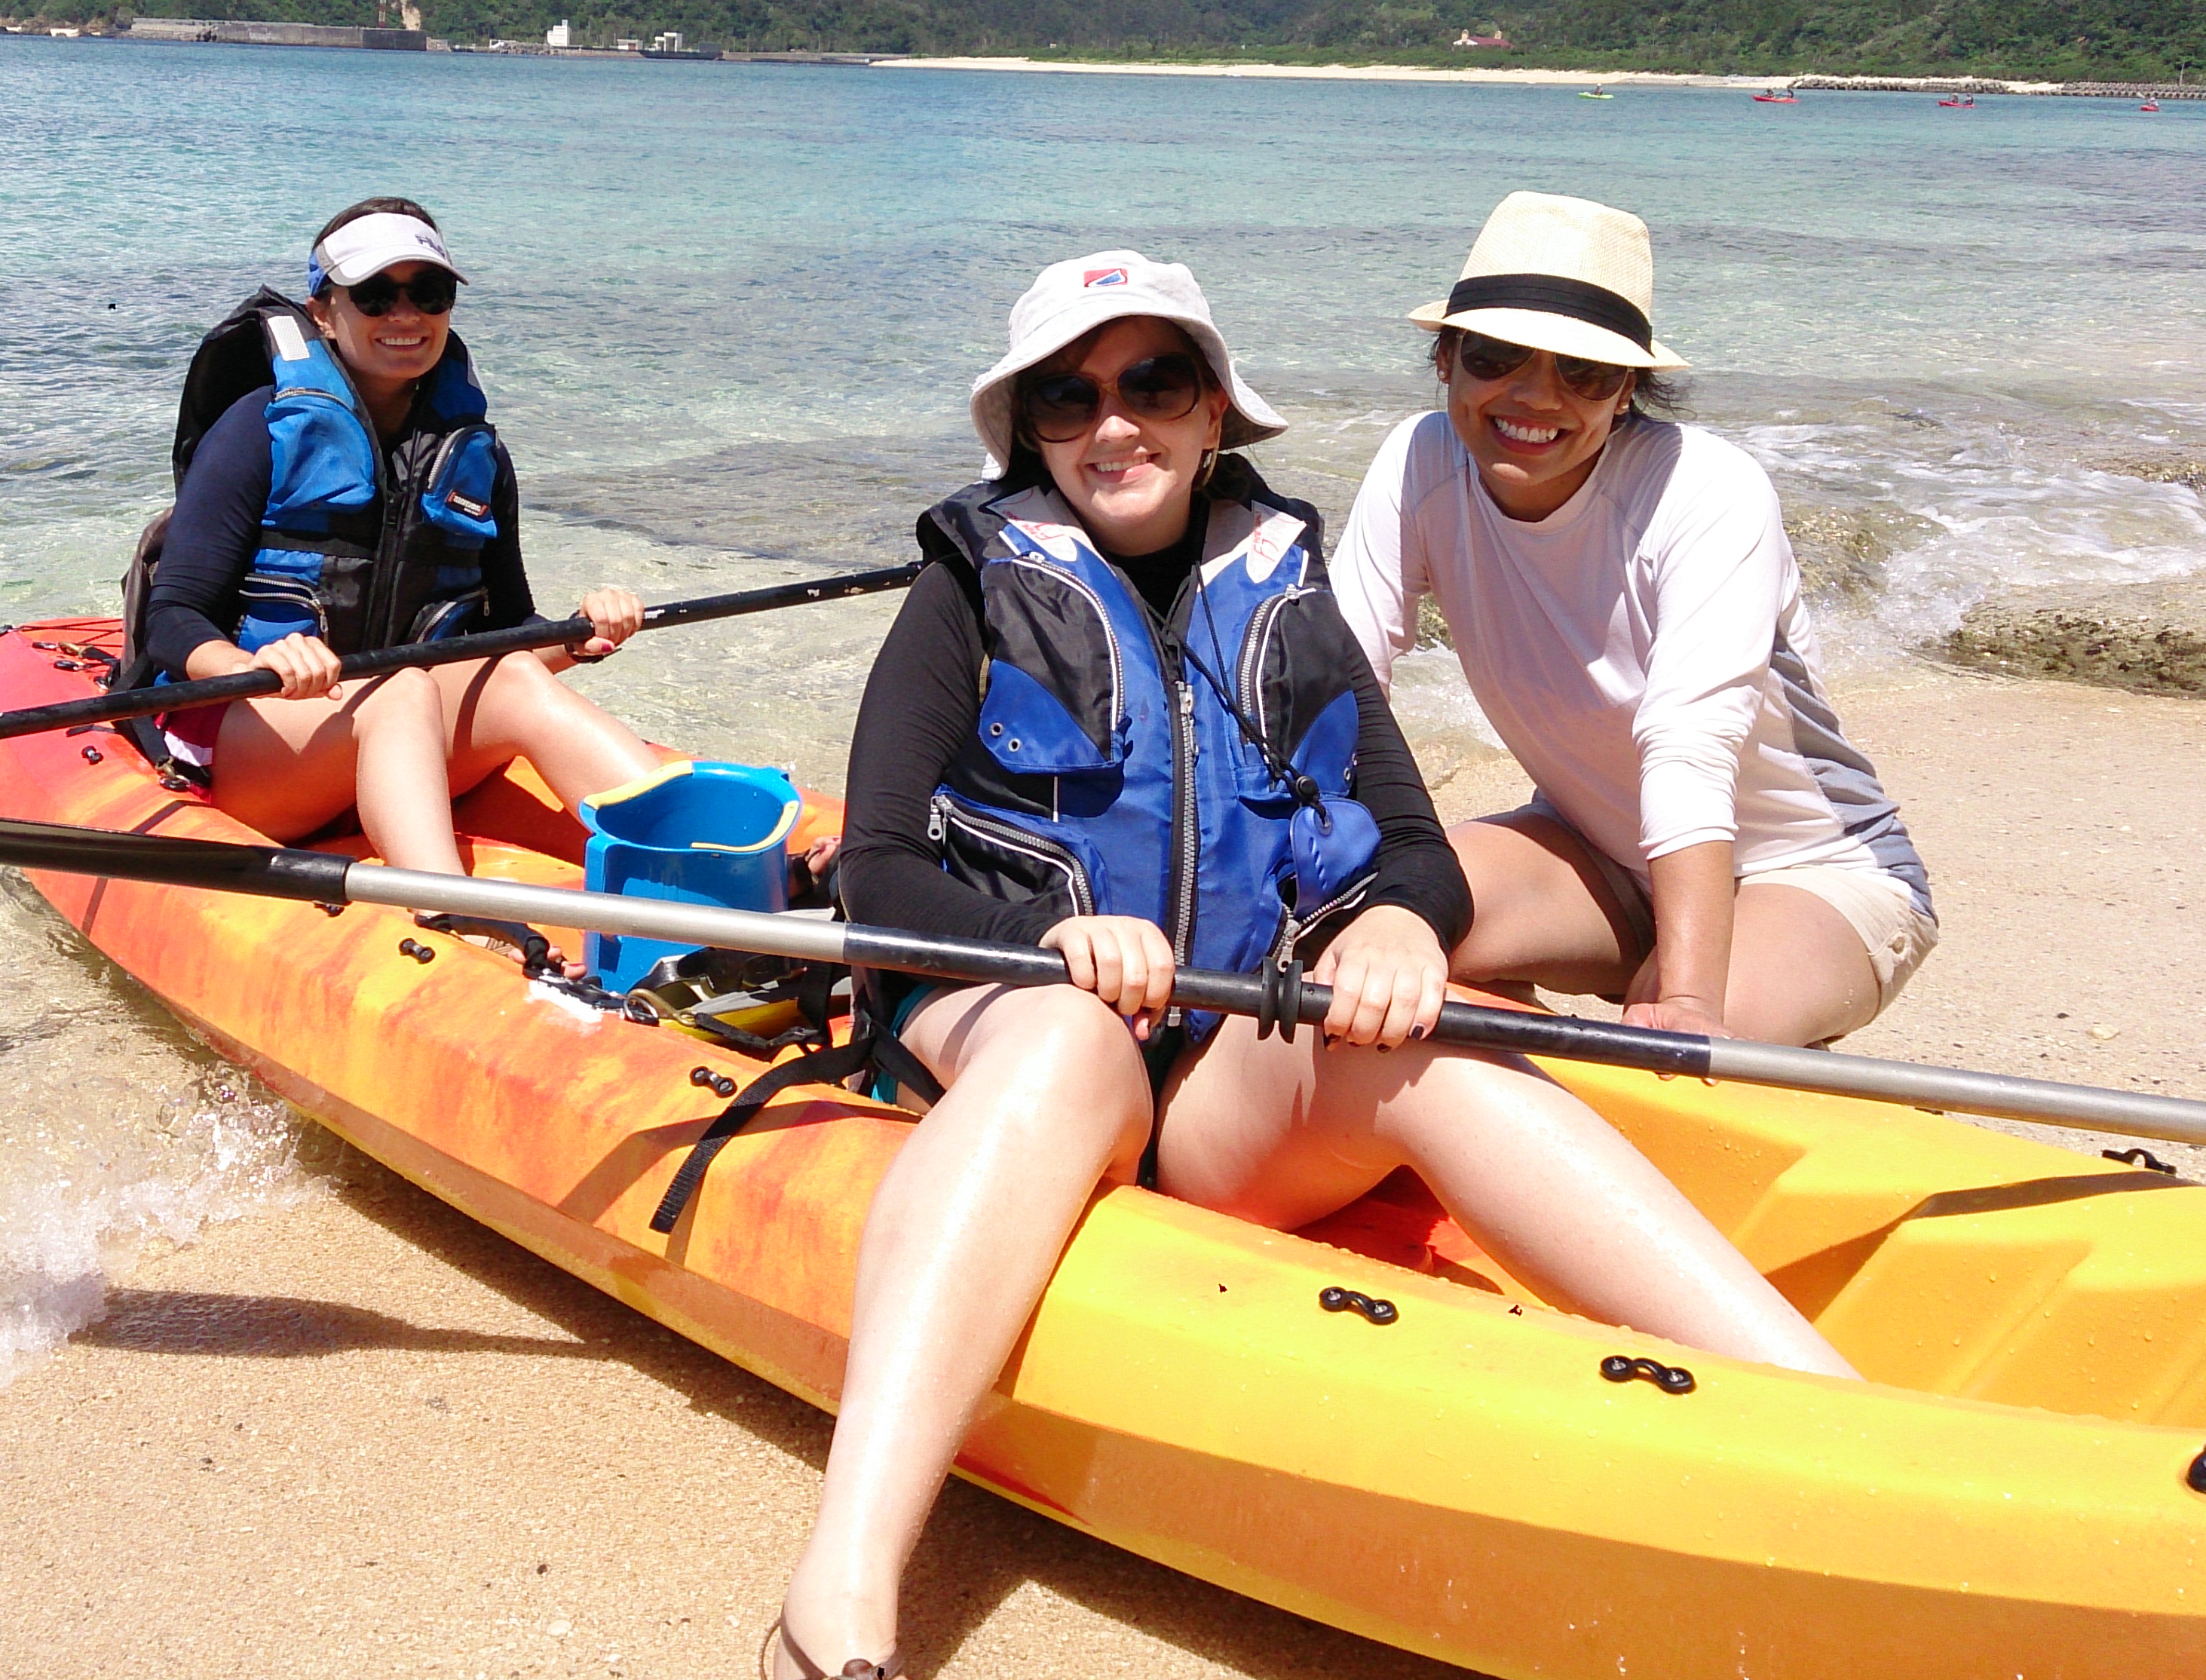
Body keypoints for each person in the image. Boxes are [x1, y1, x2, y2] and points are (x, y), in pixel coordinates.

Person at [773, 251, 1854, 1680]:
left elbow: (1408, 842)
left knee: (1437, 1041)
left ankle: (1829, 1422)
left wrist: (1399, 922)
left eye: (1155, 382)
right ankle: (839, 1594)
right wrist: (1047, 943)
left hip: (1218, 1086)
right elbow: (885, 868)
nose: (1116, 423)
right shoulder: (965, 586)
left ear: (1216, 408)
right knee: (1068, 1036)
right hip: (1016, 1046)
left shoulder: (1281, 585)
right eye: (1067, 396)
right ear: (1025, 428)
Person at [1333, 192, 1935, 1047]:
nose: (1534, 398)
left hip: (1813, 871)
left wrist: (1686, 1002)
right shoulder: (1418, 461)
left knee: (1662, 1040)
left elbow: (1688, 743)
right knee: (1378, 930)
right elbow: (1340, 688)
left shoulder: (1702, 491)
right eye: (1498, 355)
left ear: (1625, 393)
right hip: (1592, 850)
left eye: (1582, 372)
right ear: (1446, 360)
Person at [139, 198, 662, 869]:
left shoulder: (476, 457)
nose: (406, 315)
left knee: (514, 682)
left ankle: (703, 871)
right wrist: (254, 667)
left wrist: (578, 636)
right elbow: (173, 619)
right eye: (376, 296)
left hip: (405, 738)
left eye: (430, 293)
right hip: (262, 740)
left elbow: (505, 633)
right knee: (403, 689)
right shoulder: (254, 430)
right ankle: (452, 910)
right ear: (324, 312)